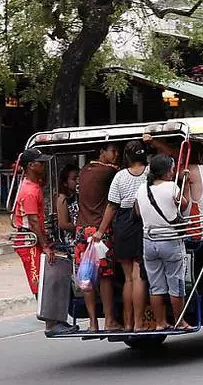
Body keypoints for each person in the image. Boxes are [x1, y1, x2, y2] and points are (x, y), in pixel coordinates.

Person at [13, 149, 78, 336]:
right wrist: (46, 245)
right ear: (31, 166)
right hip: (30, 242)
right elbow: (33, 221)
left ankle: (55, 321)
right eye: (39, 163)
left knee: (48, 278)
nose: (43, 166)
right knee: (41, 281)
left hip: (34, 239)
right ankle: (51, 323)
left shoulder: (33, 186)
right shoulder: (30, 191)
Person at [93, 141, 149, 332]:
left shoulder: (119, 176)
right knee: (138, 275)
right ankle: (140, 323)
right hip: (143, 222)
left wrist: (100, 231)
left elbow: (111, 206)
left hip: (122, 224)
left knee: (128, 279)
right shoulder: (150, 173)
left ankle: (127, 323)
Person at [136, 154, 193, 331]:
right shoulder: (171, 187)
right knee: (175, 282)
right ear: (168, 171)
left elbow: (138, 212)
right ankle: (179, 321)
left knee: (156, 285)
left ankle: (160, 323)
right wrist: (186, 184)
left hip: (149, 241)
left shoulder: (142, 189)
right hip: (169, 241)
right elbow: (184, 206)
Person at [75, 142, 121, 332]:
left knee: (86, 277)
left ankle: (93, 323)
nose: (116, 155)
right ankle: (109, 320)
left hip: (81, 231)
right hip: (99, 231)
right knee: (105, 277)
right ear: (102, 153)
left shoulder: (85, 170)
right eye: (113, 151)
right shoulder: (110, 172)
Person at [55, 164, 79, 251]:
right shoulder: (62, 199)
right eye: (74, 179)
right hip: (72, 240)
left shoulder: (78, 196)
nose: (77, 181)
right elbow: (63, 224)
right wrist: (80, 230)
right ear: (65, 183)